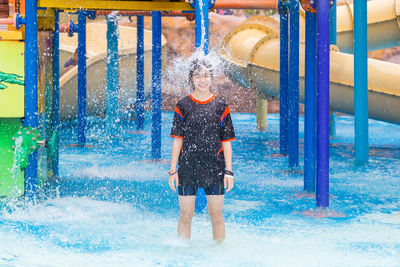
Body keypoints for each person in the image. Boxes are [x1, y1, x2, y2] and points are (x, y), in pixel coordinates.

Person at [168, 58, 236, 241]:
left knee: (216, 216)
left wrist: (228, 171)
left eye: (206, 75)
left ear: (212, 78)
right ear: (191, 78)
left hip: (215, 168)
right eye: (198, 75)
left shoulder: (221, 106)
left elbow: (226, 142)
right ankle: (182, 254)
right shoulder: (183, 105)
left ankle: (219, 254)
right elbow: (177, 140)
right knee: (185, 215)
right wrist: (173, 169)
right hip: (187, 167)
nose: (202, 80)